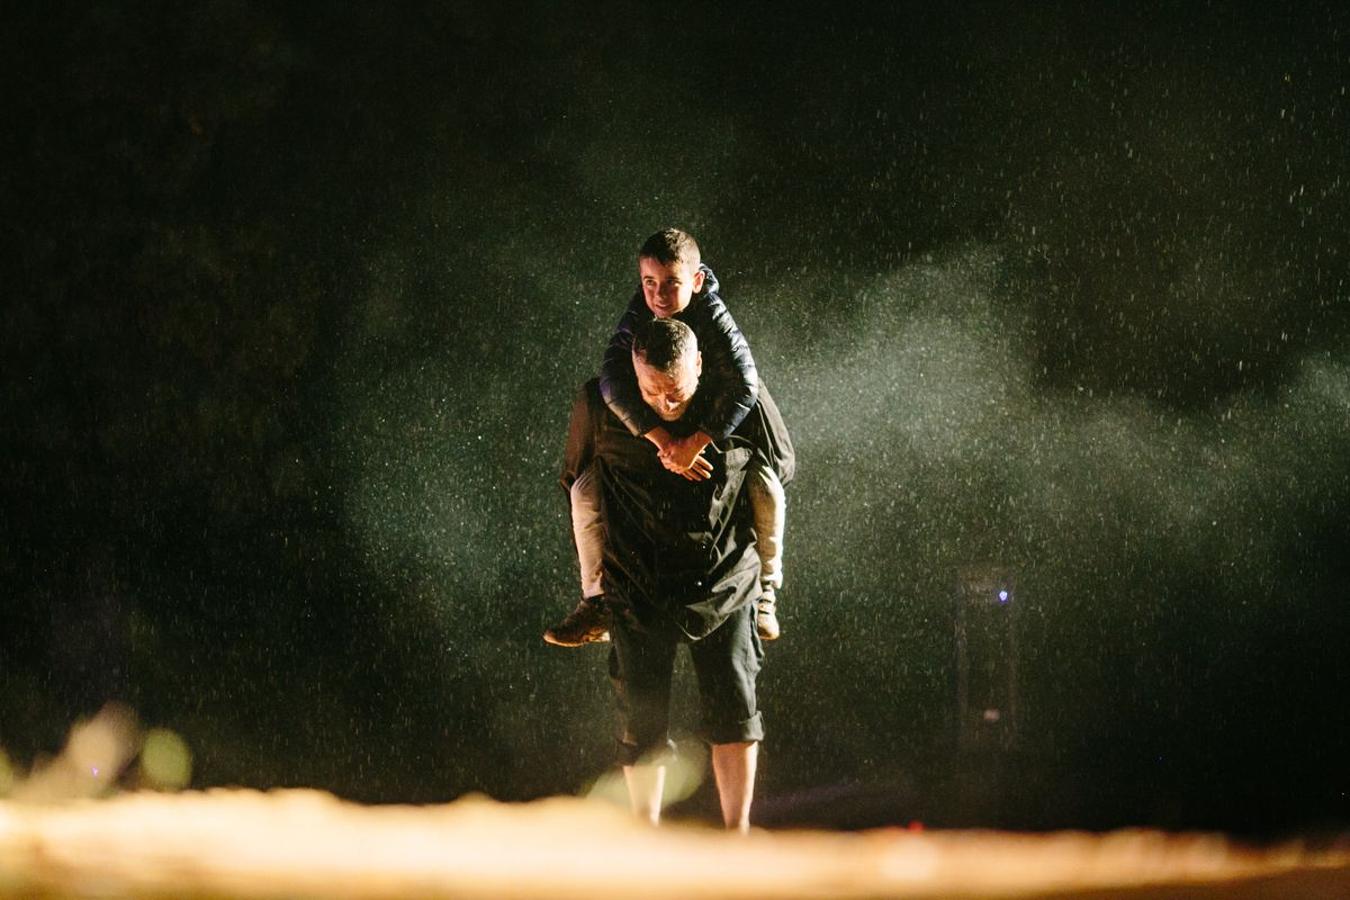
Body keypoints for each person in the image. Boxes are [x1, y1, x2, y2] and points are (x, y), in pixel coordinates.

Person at [560, 316, 794, 831]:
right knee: (641, 723)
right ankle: (646, 839)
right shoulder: (601, 402)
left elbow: (782, 468)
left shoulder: (740, 396)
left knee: (735, 712)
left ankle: (737, 834)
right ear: (632, 376)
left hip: (727, 579)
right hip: (636, 581)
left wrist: (705, 440)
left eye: (677, 389)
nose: (665, 402)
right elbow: (575, 479)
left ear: (702, 367)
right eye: (651, 390)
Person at [545, 228, 788, 646]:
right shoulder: (641, 309)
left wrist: (696, 442)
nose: (658, 295)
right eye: (649, 283)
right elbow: (612, 381)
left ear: (695, 282)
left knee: (767, 481)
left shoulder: (711, 311)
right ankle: (597, 601)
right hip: (656, 419)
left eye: (672, 284)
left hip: (715, 409)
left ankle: (765, 593)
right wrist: (662, 441)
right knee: (583, 486)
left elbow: (745, 384)